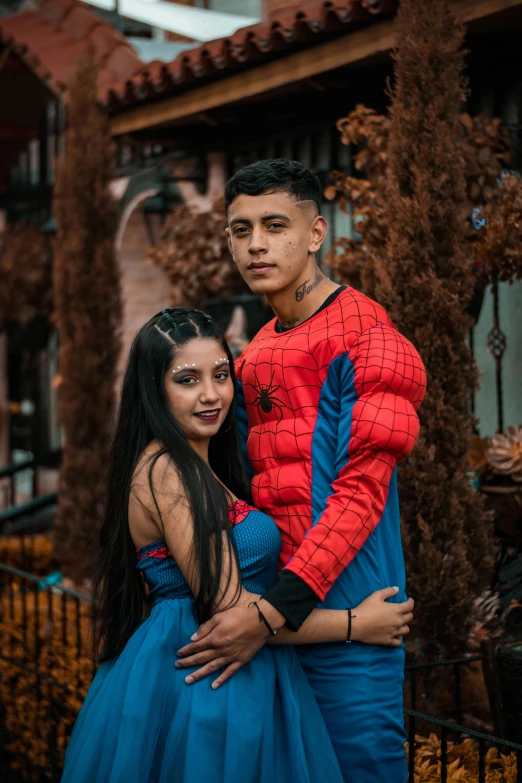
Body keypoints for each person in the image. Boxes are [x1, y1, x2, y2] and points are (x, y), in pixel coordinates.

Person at [60, 307, 414, 783]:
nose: (211, 395)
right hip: (204, 682)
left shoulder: (201, 464)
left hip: (235, 673)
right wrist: (357, 623)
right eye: (187, 379)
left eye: (221, 375)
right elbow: (232, 613)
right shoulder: (167, 469)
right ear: (153, 389)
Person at [175, 161, 427, 782]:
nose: (256, 243)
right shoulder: (253, 356)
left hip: (350, 620)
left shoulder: (369, 334)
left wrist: (267, 615)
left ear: (315, 233)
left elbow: (361, 493)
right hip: (280, 628)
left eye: (274, 224)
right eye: (240, 229)